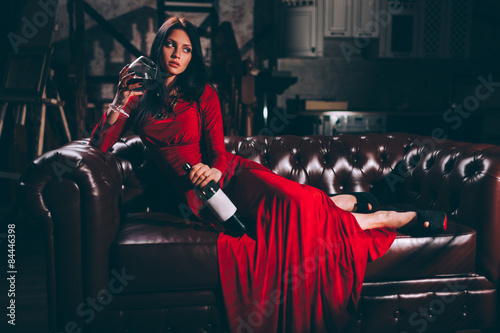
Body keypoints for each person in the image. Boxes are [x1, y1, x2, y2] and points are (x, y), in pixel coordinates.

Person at [90, 17, 447, 333]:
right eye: (170, 44)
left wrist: (211, 169)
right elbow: (100, 146)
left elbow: (216, 150)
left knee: (301, 202)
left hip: (231, 174)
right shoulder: (136, 100)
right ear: (158, 47)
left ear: (192, 56)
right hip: (198, 199)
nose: (177, 54)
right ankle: (344, 204)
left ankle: (385, 217)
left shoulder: (203, 94)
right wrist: (118, 100)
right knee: (296, 215)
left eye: (185, 49)